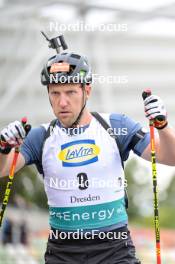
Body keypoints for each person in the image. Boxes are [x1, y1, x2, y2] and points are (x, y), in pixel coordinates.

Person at [0, 51, 175, 264]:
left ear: (87, 90)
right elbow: (3, 170)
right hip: (63, 252)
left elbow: (170, 157)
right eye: (55, 93)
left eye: (71, 92)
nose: (62, 102)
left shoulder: (116, 125)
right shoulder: (40, 136)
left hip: (114, 250)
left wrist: (163, 126)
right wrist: (4, 147)